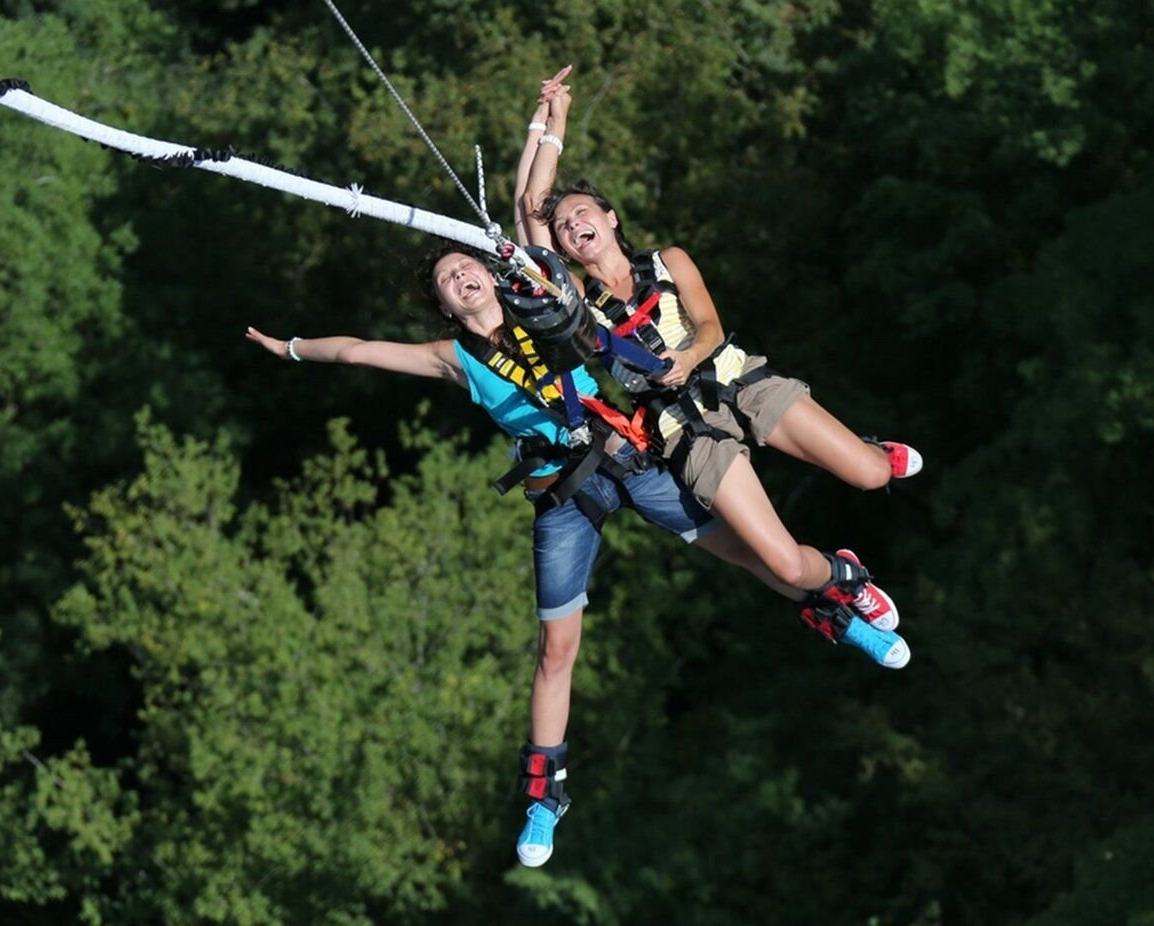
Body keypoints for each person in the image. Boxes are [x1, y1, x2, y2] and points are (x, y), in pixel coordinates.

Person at [247, 241, 908, 869]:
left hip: (634, 460)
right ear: (447, 306)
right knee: (557, 648)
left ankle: (840, 596)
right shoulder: (453, 354)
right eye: (448, 280)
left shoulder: (548, 308)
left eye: (466, 267)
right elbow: (362, 352)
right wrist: (292, 348)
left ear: (489, 273)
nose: (460, 278)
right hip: (563, 492)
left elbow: (543, 238)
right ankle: (544, 795)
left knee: (758, 556)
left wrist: (548, 131)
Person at [516, 69, 923, 645]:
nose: (573, 223)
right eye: (563, 227)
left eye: (583, 212)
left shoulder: (670, 261)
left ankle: (869, 452)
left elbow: (709, 325)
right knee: (782, 563)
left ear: (611, 218)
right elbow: (529, 214)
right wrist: (549, 124)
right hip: (685, 430)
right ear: (562, 249)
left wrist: (690, 355)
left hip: (737, 379)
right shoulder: (579, 303)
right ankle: (844, 578)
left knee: (870, 475)